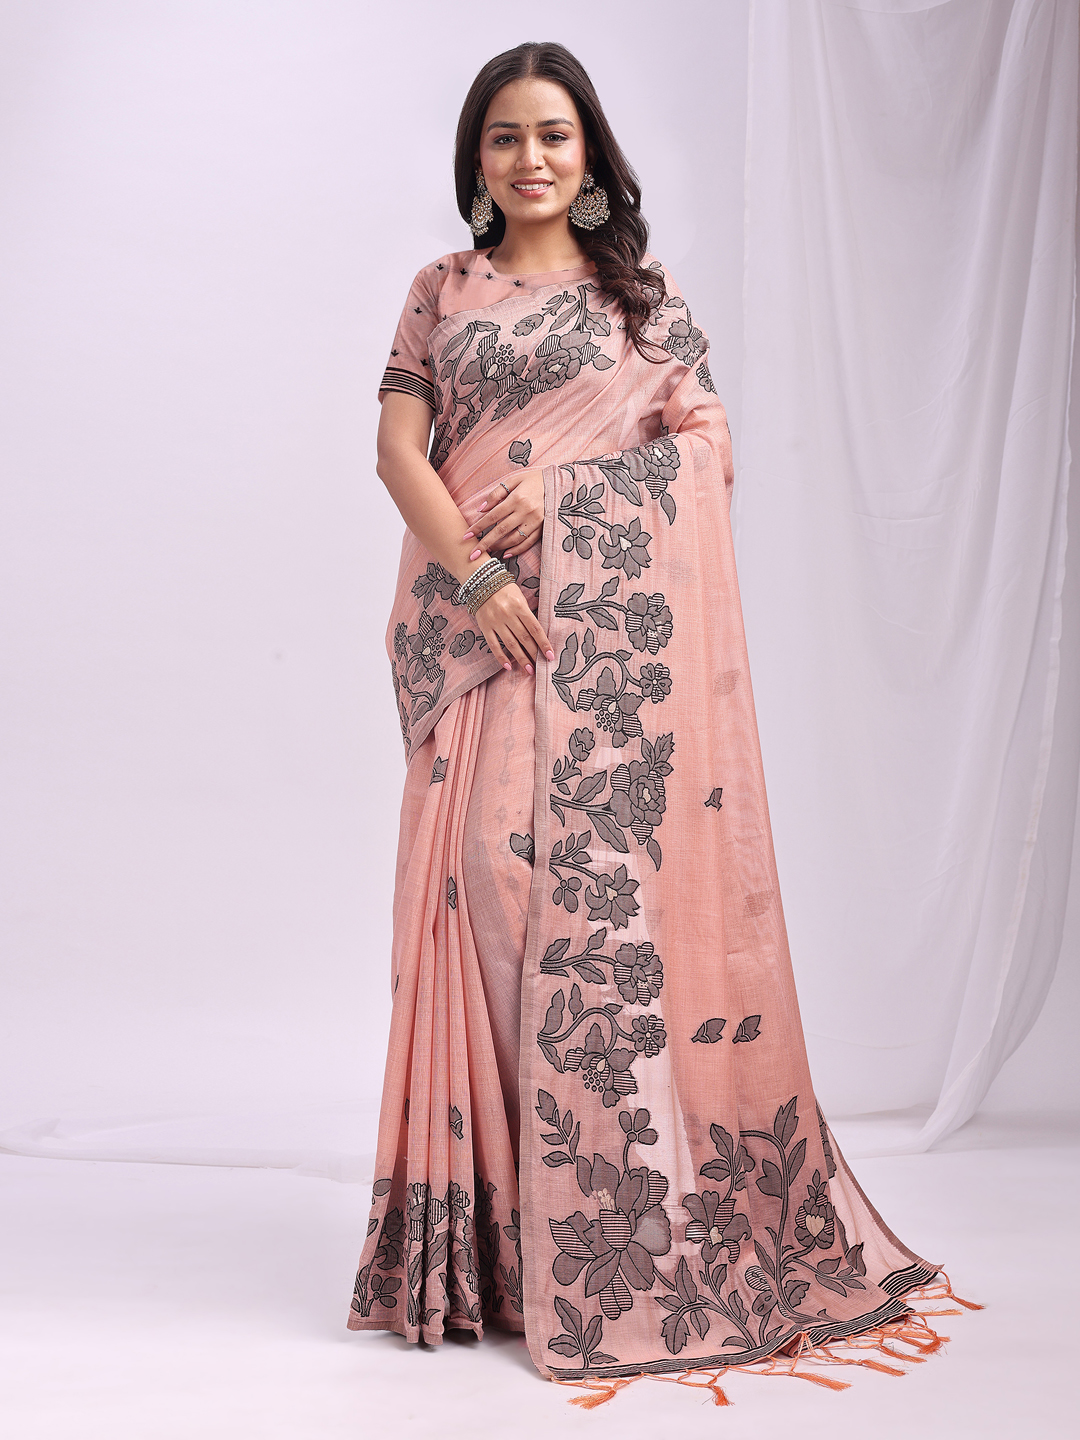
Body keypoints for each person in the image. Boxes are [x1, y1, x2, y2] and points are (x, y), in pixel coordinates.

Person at [347, 40, 945, 1390]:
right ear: (477, 158)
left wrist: (568, 496)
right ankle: (492, 1246)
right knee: (482, 896)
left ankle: (593, 1236)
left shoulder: (643, 299)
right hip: (477, 633)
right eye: (505, 136)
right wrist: (478, 574)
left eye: (554, 134)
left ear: (592, 155)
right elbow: (395, 449)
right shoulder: (441, 288)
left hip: (601, 650)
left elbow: (705, 446)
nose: (531, 158)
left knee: (583, 922)